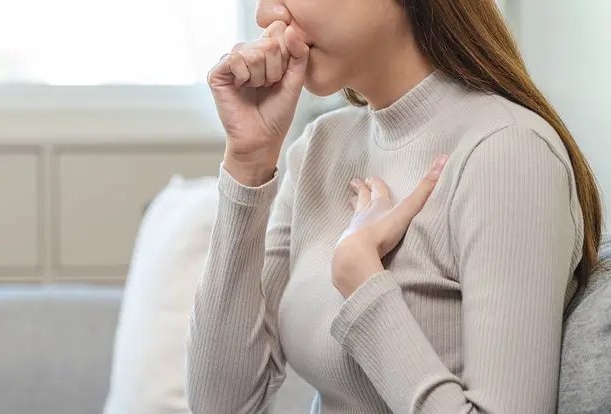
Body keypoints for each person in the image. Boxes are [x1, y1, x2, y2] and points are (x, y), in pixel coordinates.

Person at [186, 0, 604, 412]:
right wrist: (248, 162)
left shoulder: (508, 153)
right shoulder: (318, 147)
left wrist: (363, 283)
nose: (265, 15)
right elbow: (220, 405)